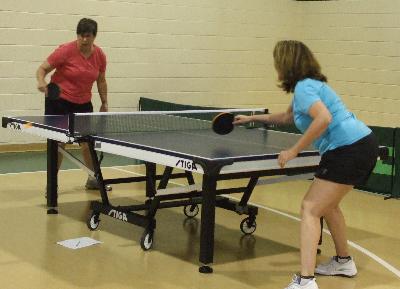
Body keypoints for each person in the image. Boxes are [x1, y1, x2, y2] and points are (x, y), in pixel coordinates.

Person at [234, 40, 379, 289]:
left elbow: (324, 118)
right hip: (363, 144)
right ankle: (344, 261)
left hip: (347, 149)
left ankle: (305, 280)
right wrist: (252, 117)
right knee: (329, 207)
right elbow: (288, 116)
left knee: (310, 208)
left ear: (287, 63)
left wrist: (293, 150)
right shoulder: (310, 86)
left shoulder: (304, 88)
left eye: (277, 61)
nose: (275, 67)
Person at [36, 18, 109, 190]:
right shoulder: (65, 51)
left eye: (88, 36)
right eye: (81, 35)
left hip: (83, 103)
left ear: (94, 36)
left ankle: (93, 179)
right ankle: (51, 185)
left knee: (87, 143)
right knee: (59, 143)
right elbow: (42, 69)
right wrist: (41, 81)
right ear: (77, 35)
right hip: (59, 102)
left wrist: (104, 102)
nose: (84, 39)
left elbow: (101, 80)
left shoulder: (99, 55)